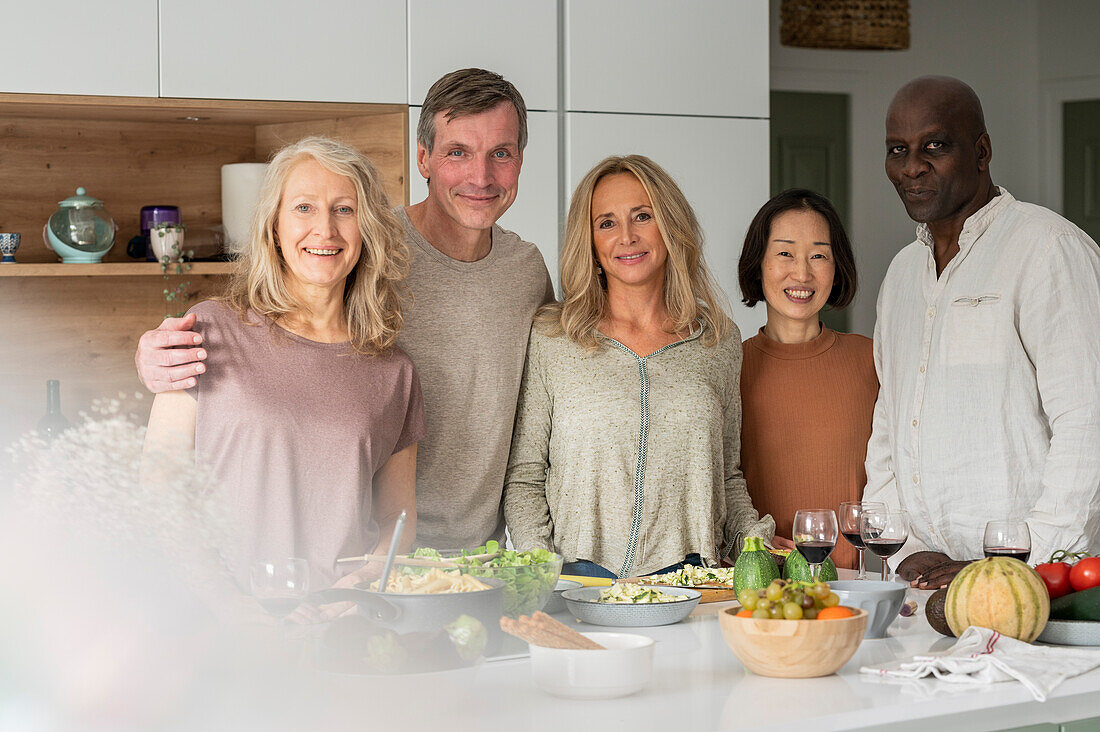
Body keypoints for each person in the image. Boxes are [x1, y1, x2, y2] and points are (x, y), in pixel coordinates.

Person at [135, 69, 554, 551]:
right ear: (424, 158)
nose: (480, 176)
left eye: (500, 153)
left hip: (473, 555)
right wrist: (153, 356)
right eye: (458, 152)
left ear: (520, 160)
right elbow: (260, 334)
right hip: (361, 558)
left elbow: (554, 396)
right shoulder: (361, 249)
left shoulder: (526, 271)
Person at [143, 136, 424, 596]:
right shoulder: (206, 332)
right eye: (304, 208)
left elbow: (398, 522)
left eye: (344, 210)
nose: (326, 230)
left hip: (340, 626)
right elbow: (159, 489)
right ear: (274, 225)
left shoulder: (394, 370)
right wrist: (227, 603)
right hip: (221, 624)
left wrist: (354, 593)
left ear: (367, 228)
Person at [865, 76, 1100, 589]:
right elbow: (890, 422)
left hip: (1036, 585)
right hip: (925, 582)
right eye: (897, 150)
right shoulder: (903, 274)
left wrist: (1027, 561)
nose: (911, 167)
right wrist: (899, 546)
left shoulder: (1047, 250)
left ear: (982, 151)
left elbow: (1088, 422)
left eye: (934, 146)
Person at [503, 155, 775, 579]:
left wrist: (754, 541)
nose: (626, 237)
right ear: (590, 241)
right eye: (606, 223)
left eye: (642, 216)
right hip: (578, 581)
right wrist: (545, 574)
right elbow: (524, 479)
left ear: (670, 226)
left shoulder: (716, 342)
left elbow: (726, 477)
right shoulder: (553, 338)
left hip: (690, 582)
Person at [736, 189, 877, 570]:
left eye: (818, 255)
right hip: (757, 586)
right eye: (785, 253)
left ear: (837, 266)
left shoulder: (873, 359)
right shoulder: (728, 367)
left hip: (857, 584)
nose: (802, 273)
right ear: (758, 263)